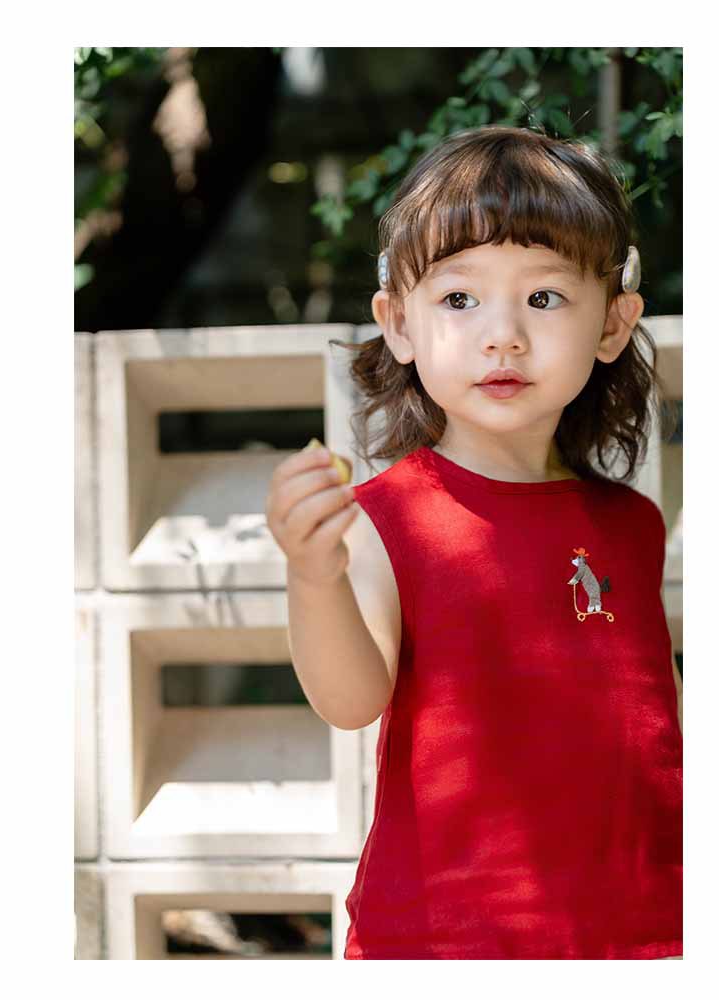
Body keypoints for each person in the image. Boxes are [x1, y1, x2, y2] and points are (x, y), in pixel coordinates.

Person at [266, 124, 683, 960]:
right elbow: (351, 701)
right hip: (450, 944)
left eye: (544, 298)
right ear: (399, 323)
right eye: (460, 300)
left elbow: (654, 730)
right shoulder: (385, 517)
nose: (504, 335)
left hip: (648, 933)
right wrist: (314, 576)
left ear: (613, 323)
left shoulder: (632, 523)